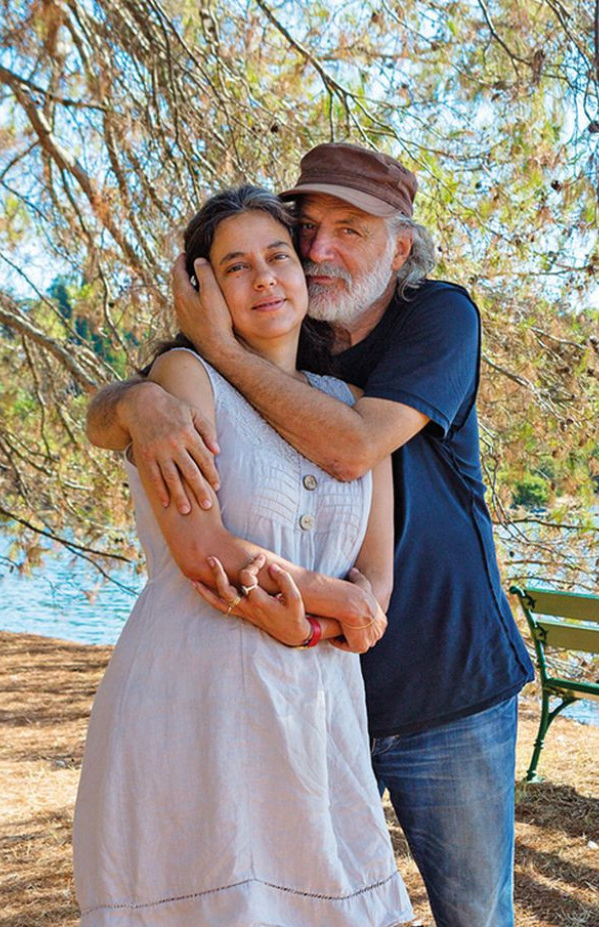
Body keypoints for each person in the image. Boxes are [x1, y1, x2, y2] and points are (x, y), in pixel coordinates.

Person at [87, 145, 535, 927]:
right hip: (304, 691)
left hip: (442, 682)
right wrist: (135, 400)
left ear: (399, 247)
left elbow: (353, 448)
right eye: (310, 230)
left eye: (350, 229)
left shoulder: (436, 318)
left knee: (470, 914)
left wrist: (215, 349)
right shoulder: (286, 337)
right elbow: (161, 435)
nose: (318, 250)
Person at [73, 185, 413, 927]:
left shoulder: (351, 403)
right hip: (199, 700)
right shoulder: (182, 379)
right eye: (235, 266)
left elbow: (376, 580)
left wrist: (316, 626)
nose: (263, 278)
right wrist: (341, 601)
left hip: (318, 711)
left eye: (277, 256)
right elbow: (205, 552)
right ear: (201, 289)